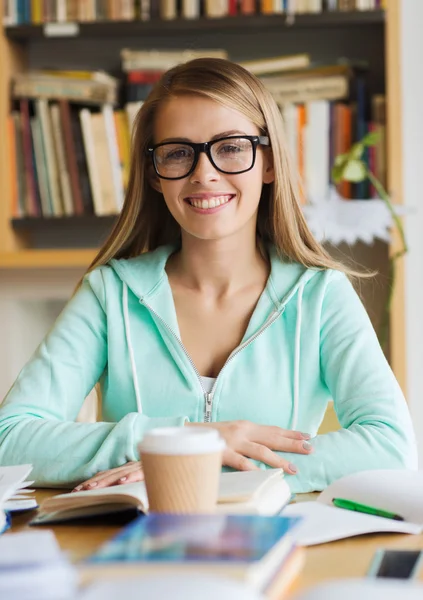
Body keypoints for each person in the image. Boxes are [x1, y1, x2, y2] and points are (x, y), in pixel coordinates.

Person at [0, 59, 417, 494]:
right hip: (140, 552)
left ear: (269, 163)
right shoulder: (109, 294)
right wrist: (192, 440)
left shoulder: (321, 295)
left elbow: (391, 446)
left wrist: (190, 467)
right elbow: (10, 439)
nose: (204, 173)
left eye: (232, 147)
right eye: (178, 152)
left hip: (278, 547)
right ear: (155, 174)